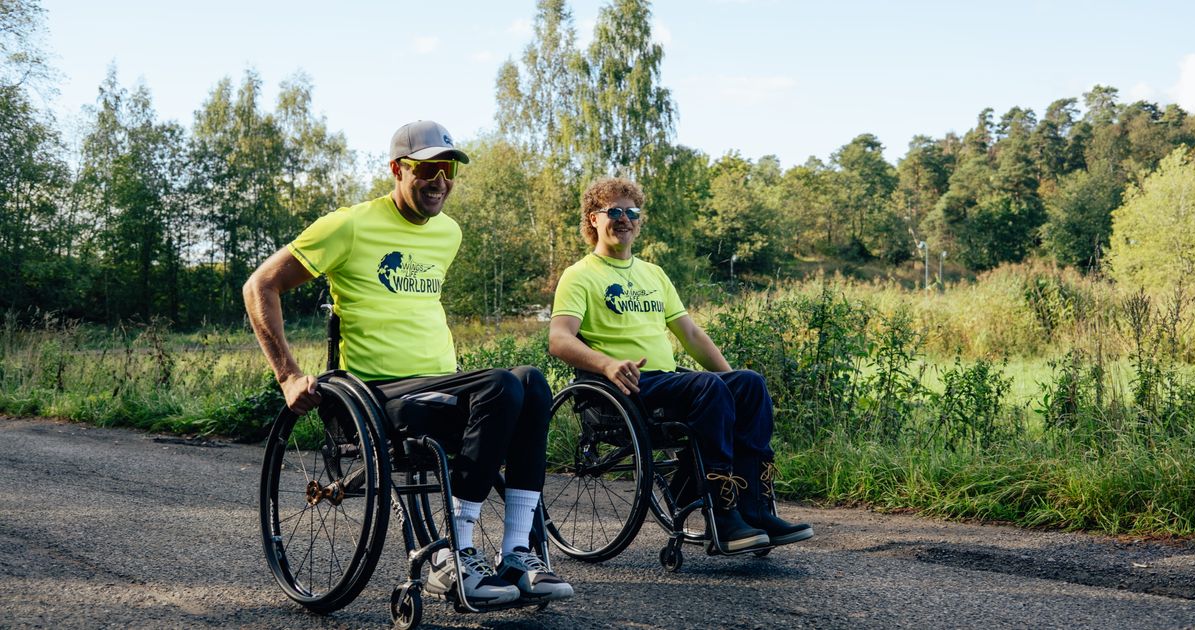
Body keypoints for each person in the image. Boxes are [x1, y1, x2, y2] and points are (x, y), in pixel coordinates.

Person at [243, 120, 572, 605]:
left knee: (532, 384)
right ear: (397, 169)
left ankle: (518, 553)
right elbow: (259, 286)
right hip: (377, 395)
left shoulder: (449, 233)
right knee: (502, 384)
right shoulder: (348, 225)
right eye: (427, 169)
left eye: (448, 169)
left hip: (441, 386)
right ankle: (456, 558)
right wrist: (289, 375)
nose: (440, 180)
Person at [548, 177, 814, 554]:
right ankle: (722, 517)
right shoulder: (580, 275)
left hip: (668, 383)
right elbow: (559, 339)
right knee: (708, 388)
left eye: (632, 212)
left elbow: (690, 334)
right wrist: (607, 364)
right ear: (593, 219)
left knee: (749, 384)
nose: (625, 219)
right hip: (621, 389)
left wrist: (733, 383)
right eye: (615, 212)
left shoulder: (653, 274)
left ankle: (755, 509)